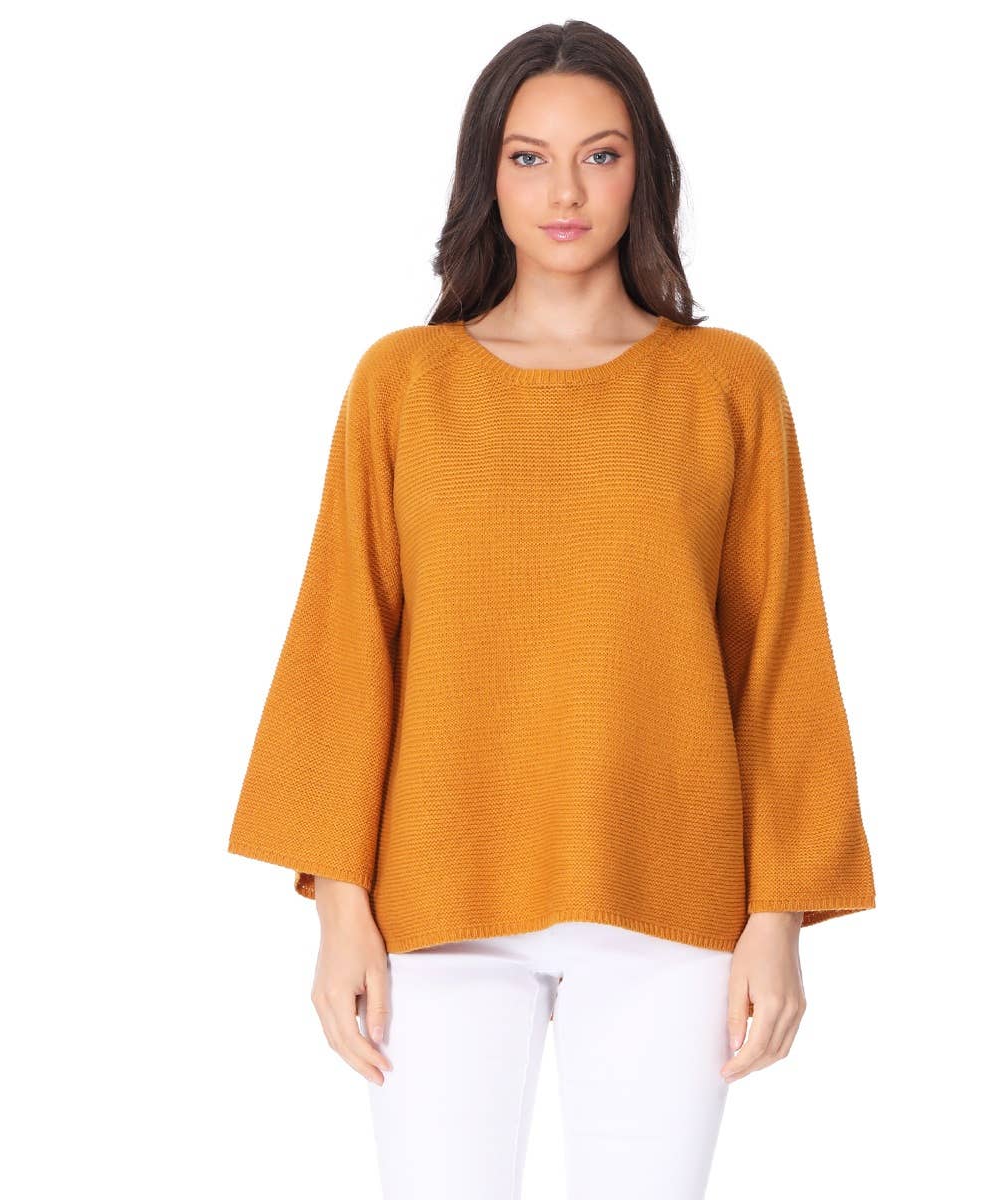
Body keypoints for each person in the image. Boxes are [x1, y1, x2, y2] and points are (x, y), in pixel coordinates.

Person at [227, 19, 876, 1199]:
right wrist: (340, 909)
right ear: (486, 173)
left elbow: (779, 655)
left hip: (673, 901)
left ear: (645, 171)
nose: (565, 192)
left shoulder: (727, 383)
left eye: (600, 155)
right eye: (528, 157)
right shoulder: (404, 383)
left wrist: (778, 918)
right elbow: (344, 638)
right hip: (438, 903)